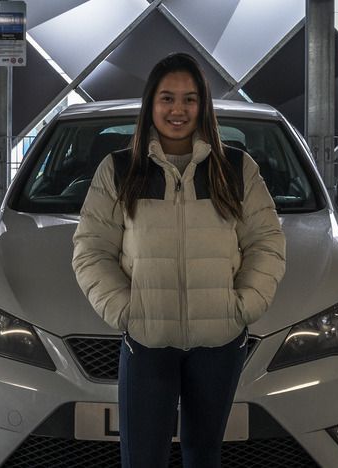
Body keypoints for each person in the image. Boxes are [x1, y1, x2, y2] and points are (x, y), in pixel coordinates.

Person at [72, 52, 286, 468]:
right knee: (142, 458)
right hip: (148, 342)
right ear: (151, 104)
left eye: (189, 99)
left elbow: (266, 242)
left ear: (202, 105)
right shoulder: (119, 170)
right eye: (167, 98)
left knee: (204, 456)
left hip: (220, 342)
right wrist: (128, 311)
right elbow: (91, 249)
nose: (178, 110)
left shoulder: (236, 169)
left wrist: (243, 306)